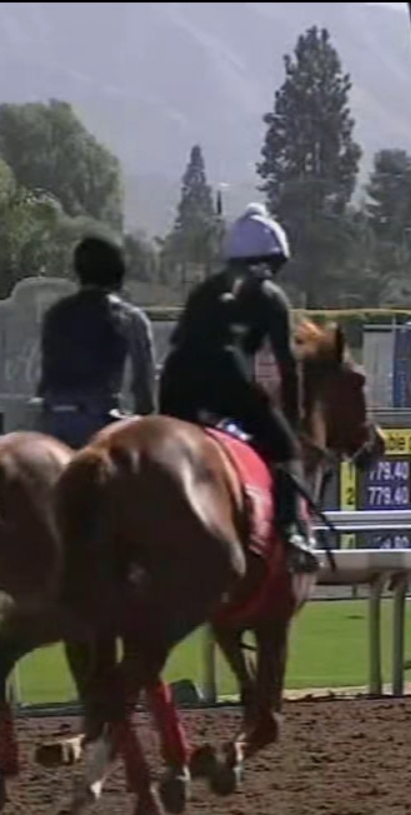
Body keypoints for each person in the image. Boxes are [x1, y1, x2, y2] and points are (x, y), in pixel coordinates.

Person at [158, 203, 318, 574]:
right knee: (285, 448)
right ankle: (294, 532)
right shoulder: (270, 297)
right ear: (270, 260)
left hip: (175, 381)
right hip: (225, 377)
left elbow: (181, 343)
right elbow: (286, 366)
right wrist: (290, 424)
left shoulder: (203, 291)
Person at [36, 235, 157, 448]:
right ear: (119, 272)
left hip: (51, 418)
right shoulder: (129, 317)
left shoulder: (54, 313)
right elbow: (143, 385)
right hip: (99, 418)